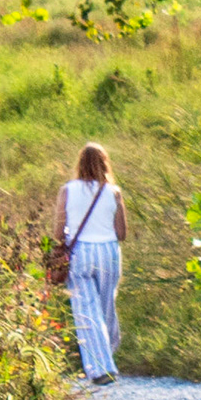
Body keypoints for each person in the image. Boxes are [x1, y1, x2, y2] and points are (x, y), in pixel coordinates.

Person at [52, 140, 128, 383]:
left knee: (86, 312)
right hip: (108, 252)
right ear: (105, 163)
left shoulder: (67, 190)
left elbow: (57, 232)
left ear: (80, 164)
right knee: (106, 308)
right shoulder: (114, 192)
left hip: (80, 253)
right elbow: (122, 233)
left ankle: (101, 368)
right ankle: (108, 355)